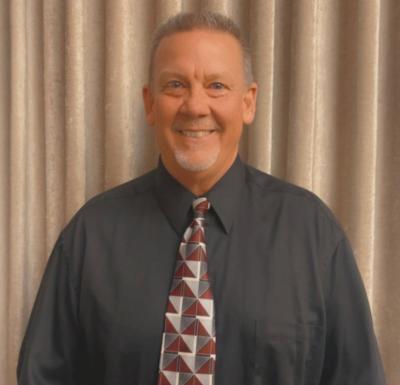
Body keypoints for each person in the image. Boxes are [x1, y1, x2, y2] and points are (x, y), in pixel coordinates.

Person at [17, 11, 386, 385]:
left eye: (217, 86)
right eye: (175, 85)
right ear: (149, 103)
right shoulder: (89, 237)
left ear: (248, 102)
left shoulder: (313, 236)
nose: (195, 105)